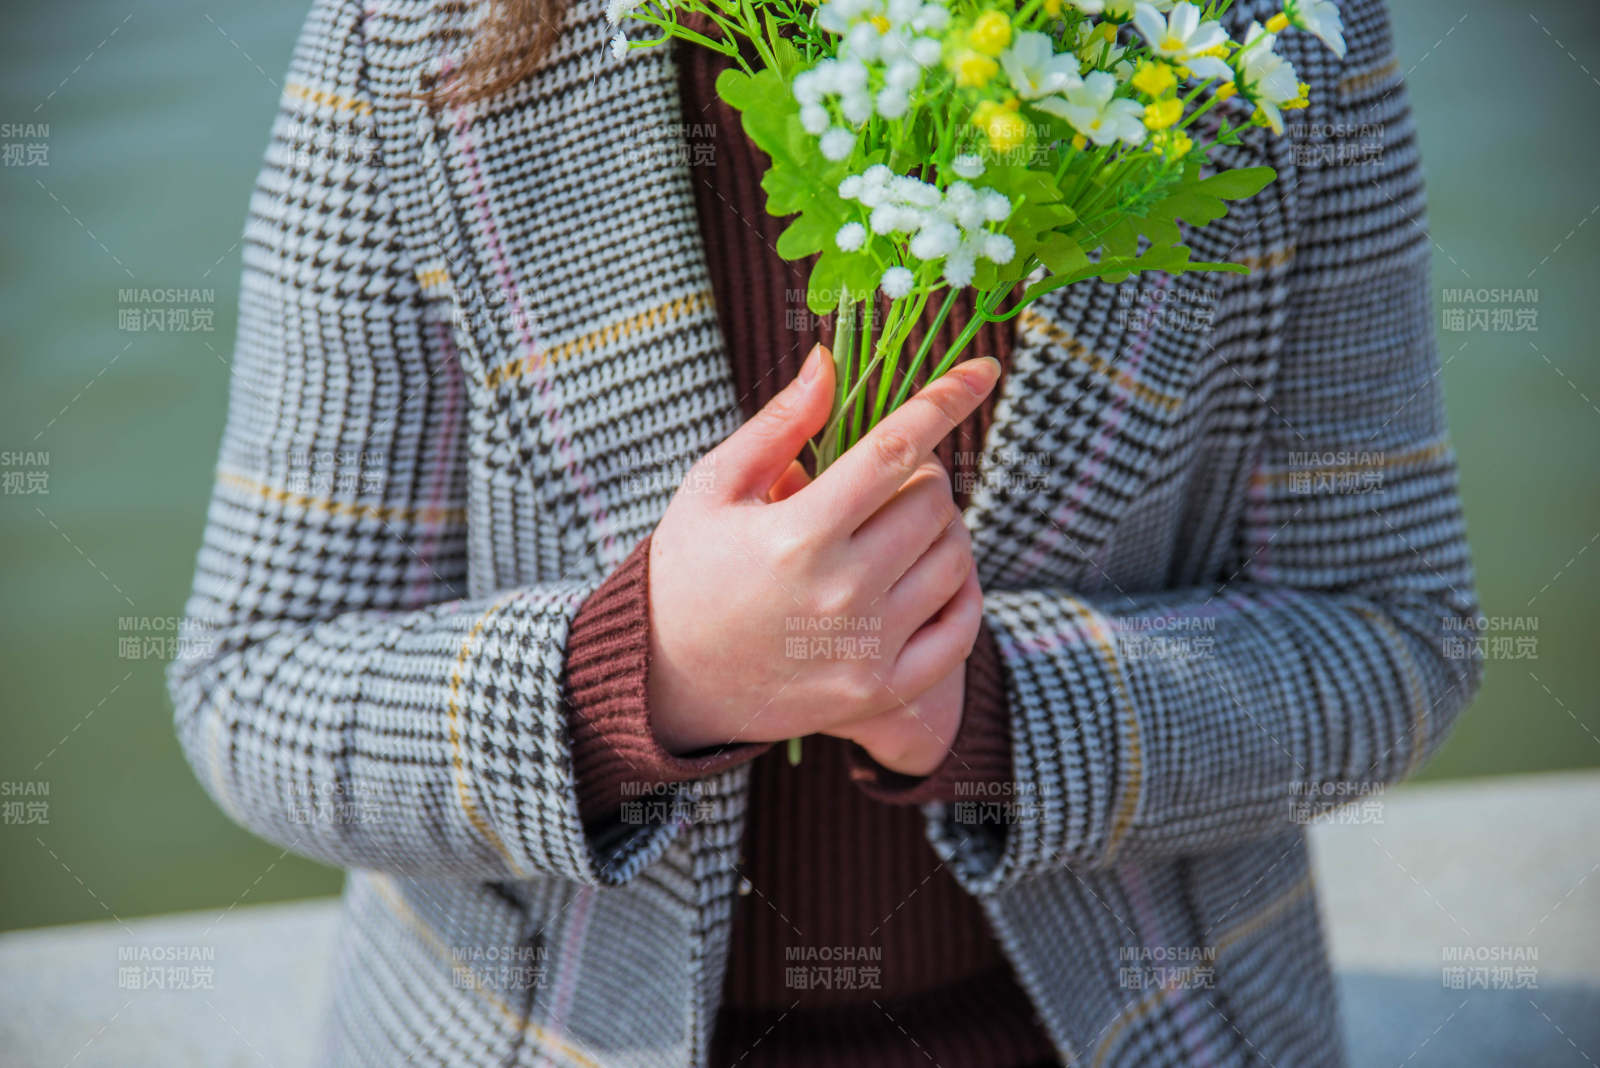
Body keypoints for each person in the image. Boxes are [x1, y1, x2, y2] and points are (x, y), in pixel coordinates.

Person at [168, 0, 1481, 1063]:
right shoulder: (411, 40)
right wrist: (643, 676)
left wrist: (996, 712)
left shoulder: (1276, 45)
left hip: (1133, 1027)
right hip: (532, 1032)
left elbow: (1399, 634)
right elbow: (255, 686)